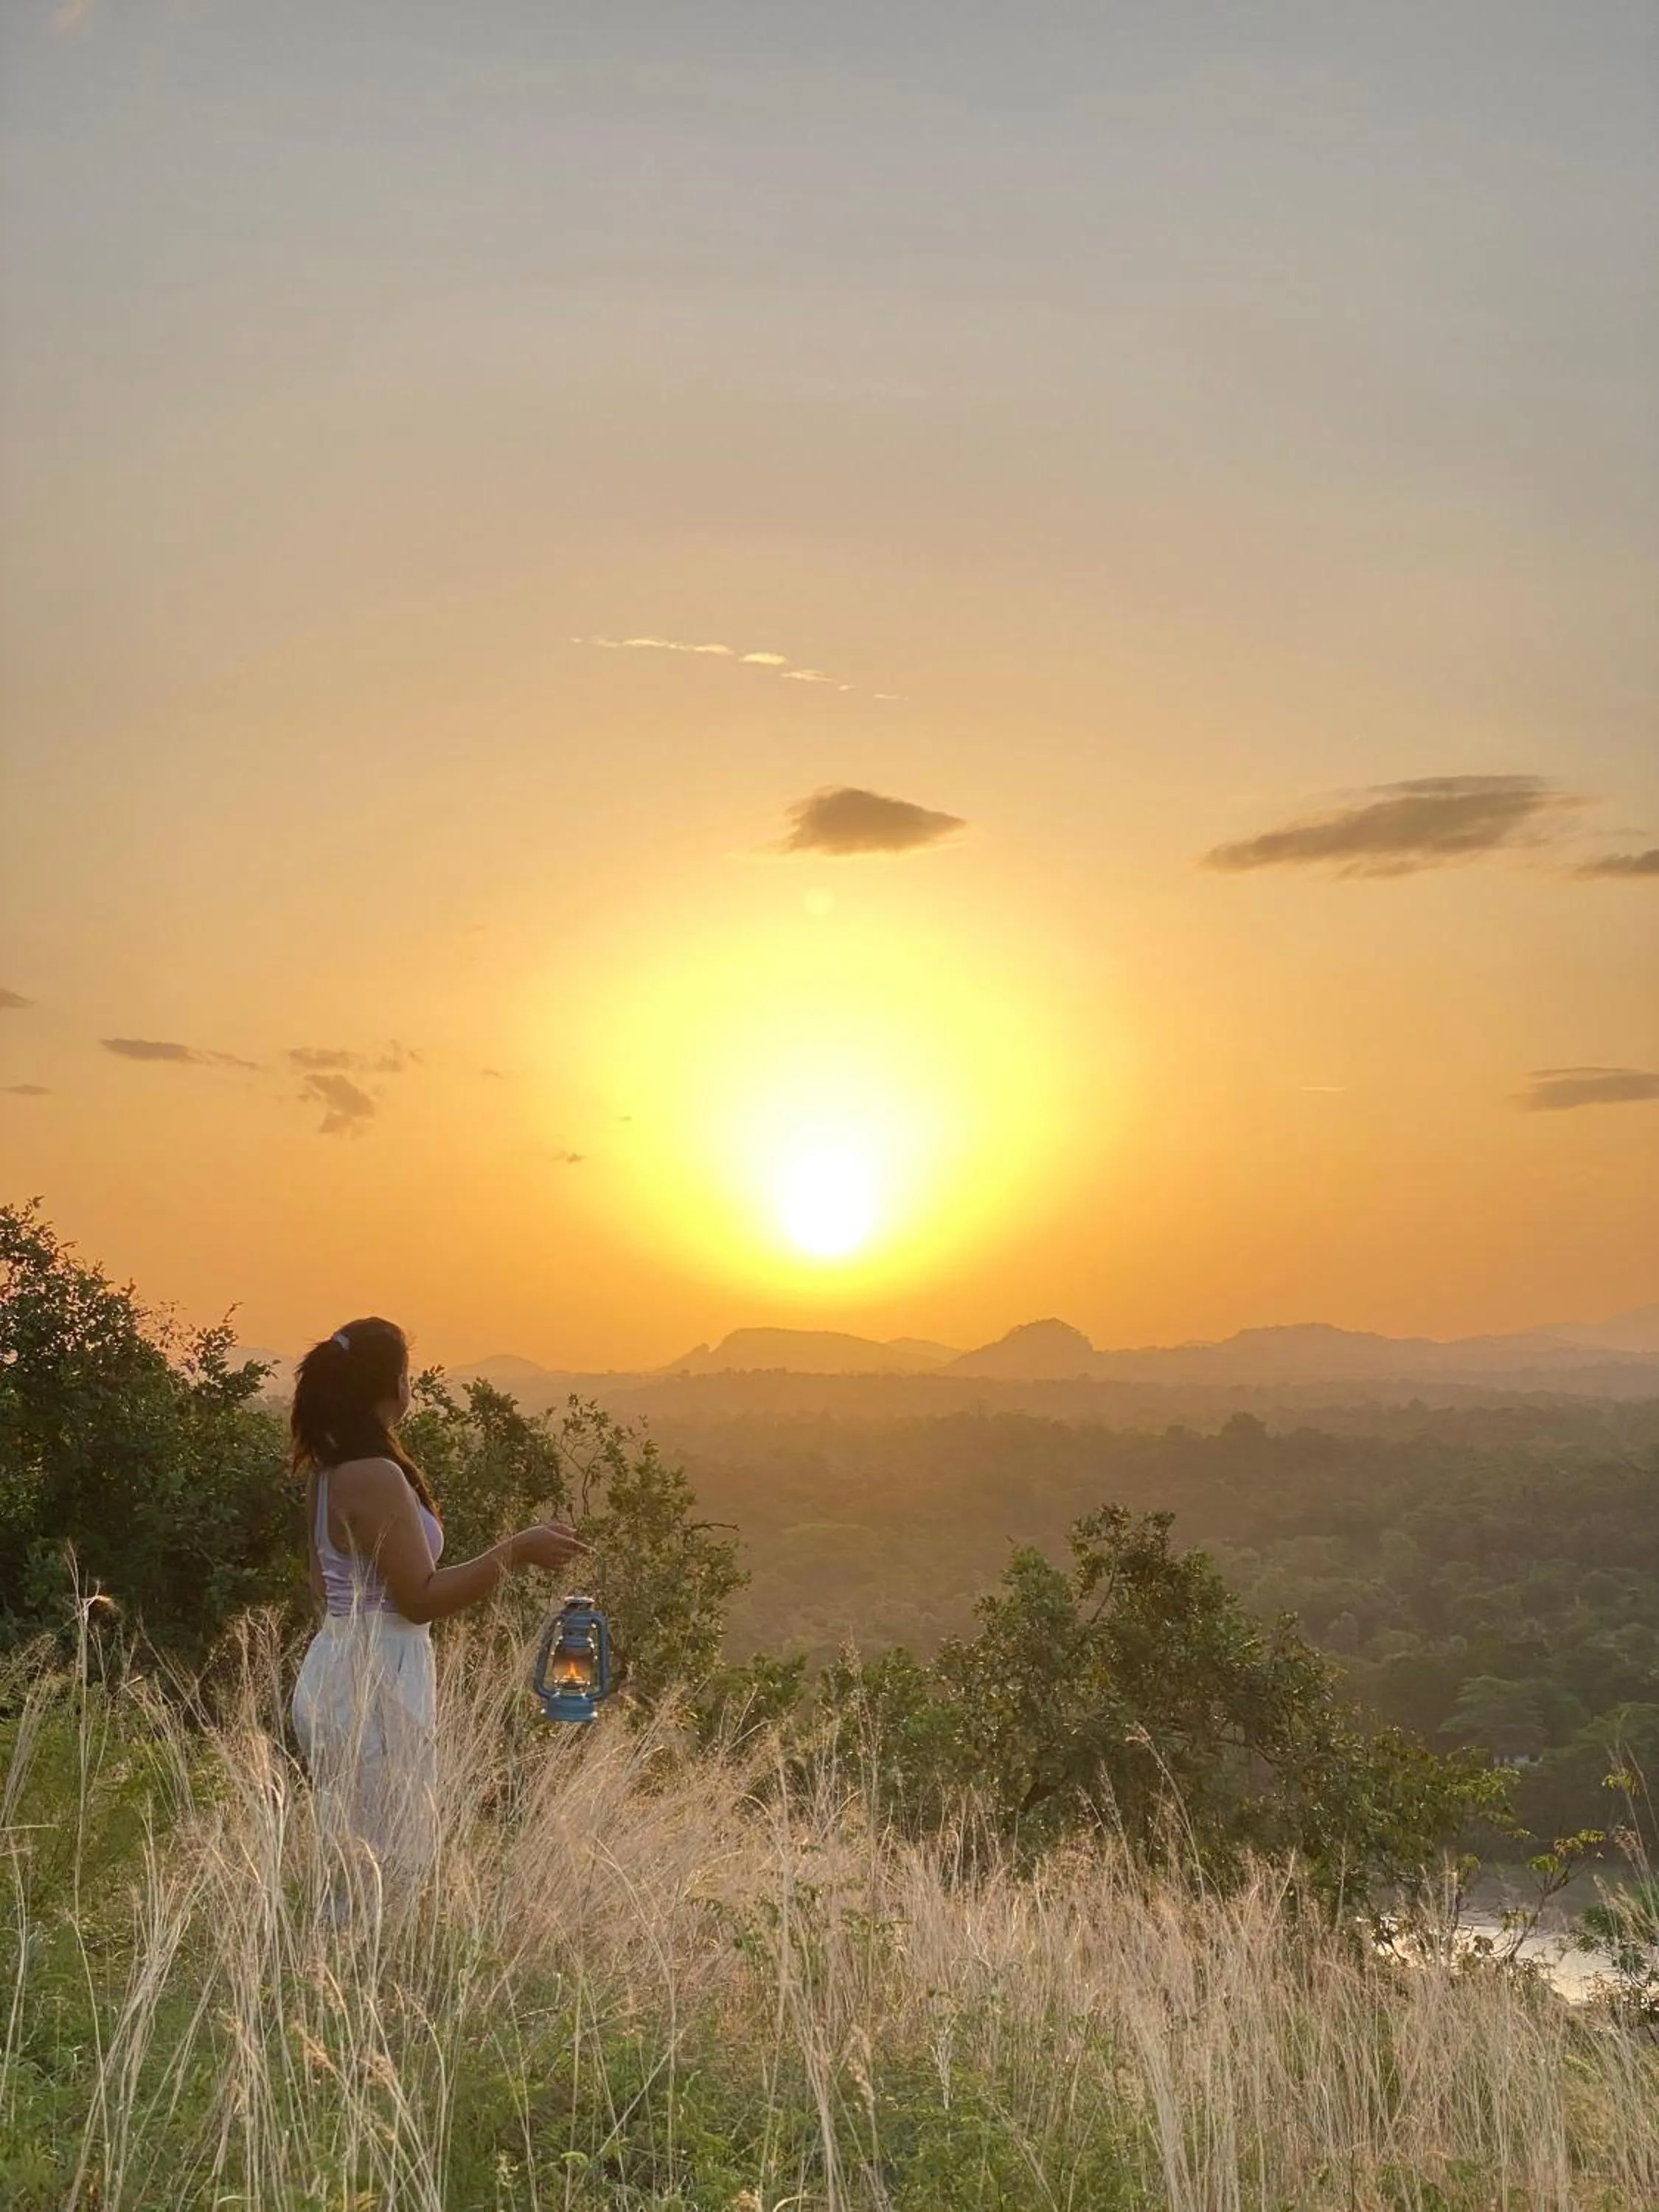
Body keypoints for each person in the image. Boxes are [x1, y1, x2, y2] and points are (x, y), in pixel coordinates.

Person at [289, 1315, 582, 1885]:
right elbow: (418, 1599)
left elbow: (323, 1586)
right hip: (376, 1676)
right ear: (392, 1384)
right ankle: (355, 1970)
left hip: (339, 1663)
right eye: (408, 1374)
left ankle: (333, 1967)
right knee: (387, 1860)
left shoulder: (328, 1474)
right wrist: (517, 1550)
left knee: (354, 1856)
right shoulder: (374, 1474)